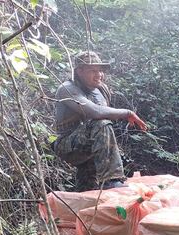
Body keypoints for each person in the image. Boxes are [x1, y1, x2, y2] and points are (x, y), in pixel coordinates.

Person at [53, 51, 147, 191]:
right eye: (93, 70)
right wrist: (127, 113)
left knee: (88, 190)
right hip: (68, 144)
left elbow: (105, 120)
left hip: (90, 142)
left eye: (100, 70)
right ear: (79, 71)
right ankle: (111, 180)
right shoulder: (67, 88)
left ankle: (88, 195)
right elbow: (95, 112)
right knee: (101, 124)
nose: (99, 75)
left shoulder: (100, 89)